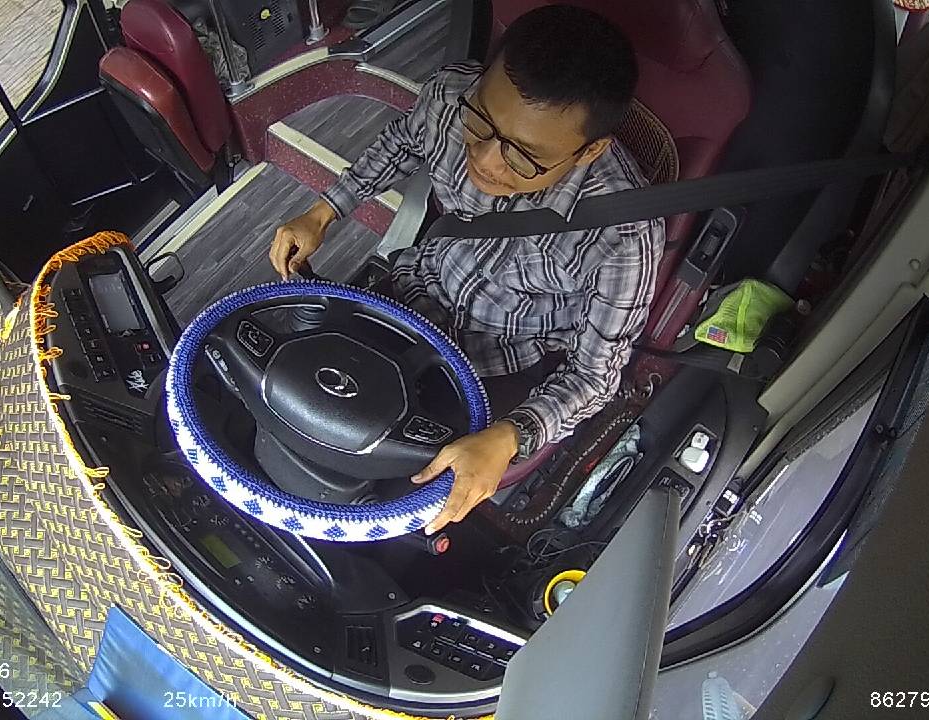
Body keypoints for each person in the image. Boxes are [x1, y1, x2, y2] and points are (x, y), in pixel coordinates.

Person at [269, 5, 662, 535]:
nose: (487, 161)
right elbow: (403, 142)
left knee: (392, 494)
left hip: (499, 360)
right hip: (411, 292)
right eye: (484, 122)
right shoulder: (450, 96)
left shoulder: (623, 234)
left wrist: (509, 435)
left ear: (589, 151)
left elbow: (596, 375)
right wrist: (324, 211)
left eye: (524, 156)